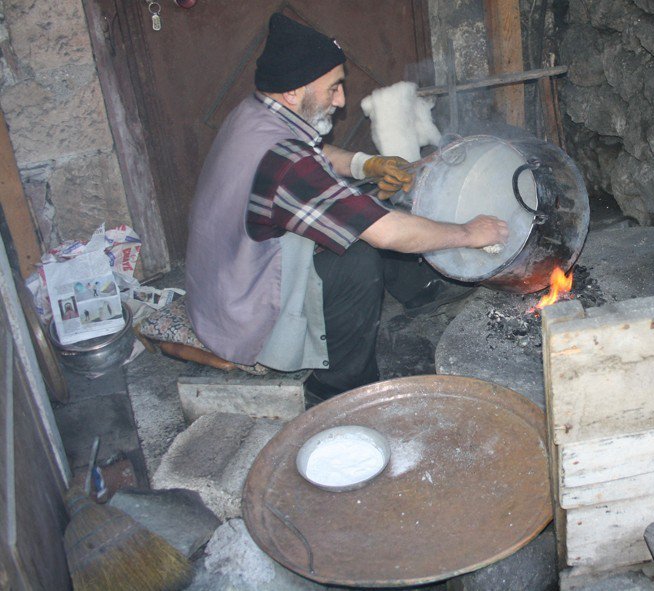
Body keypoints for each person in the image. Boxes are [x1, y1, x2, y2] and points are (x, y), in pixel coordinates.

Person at [186, 13, 508, 401]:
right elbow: (385, 230)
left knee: (362, 205)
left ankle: (420, 290)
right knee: (359, 253)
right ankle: (338, 389)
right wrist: (470, 233)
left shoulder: (255, 113)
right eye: (333, 88)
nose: (341, 101)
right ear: (293, 92)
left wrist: (367, 164)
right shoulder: (286, 164)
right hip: (246, 316)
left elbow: (315, 150)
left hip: (228, 282)